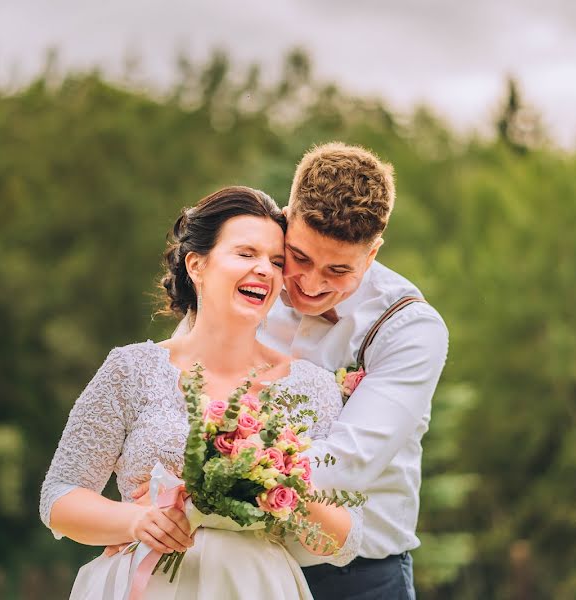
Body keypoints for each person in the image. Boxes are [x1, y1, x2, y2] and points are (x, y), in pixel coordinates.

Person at [39, 186, 362, 600]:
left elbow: (342, 542)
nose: (265, 269)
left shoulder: (311, 387)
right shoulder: (132, 368)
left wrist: (279, 476)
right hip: (144, 581)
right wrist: (133, 522)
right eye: (246, 254)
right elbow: (60, 496)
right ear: (197, 265)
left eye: (276, 261)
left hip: (253, 587)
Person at [260, 142, 450, 599]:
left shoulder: (410, 327)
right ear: (287, 218)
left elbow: (349, 463)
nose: (310, 283)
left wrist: (226, 470)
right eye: (300, 257)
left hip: (356, 578)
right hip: (241, 570)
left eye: (338, 270)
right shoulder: (246, 281)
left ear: (373, 252)